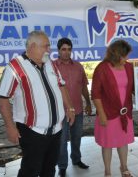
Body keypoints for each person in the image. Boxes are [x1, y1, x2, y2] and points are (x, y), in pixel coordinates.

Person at [0, 30, 75, 177]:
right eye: (45, 46)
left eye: (49, 46)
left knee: (49, 169)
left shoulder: (50, 64)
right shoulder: (15, 67)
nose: (49, 49)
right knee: (30, 170)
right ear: (32, 47)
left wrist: (69, 107)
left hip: (56, 130)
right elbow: (2, 97)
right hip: (32, 131)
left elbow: (61, 85)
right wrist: (10, 127)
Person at [91, 40, 134, 177]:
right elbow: (96, 94)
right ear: (117, 55)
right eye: (125, 55)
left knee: (123, 142)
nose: (127, 58)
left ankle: (124, 167)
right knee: (107, 144)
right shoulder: (102, 68)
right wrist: (102, 114)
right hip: (108, 113)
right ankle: (108, 172)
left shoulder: (128, 67)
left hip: (125, 113)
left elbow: (135, 87)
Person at [53, 38, 92, 177]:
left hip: (78, 110)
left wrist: (88, 102)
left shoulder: (78, 66)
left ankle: (76, 159)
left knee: (77, 138)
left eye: (69, 49)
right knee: (62, 141)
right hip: (60, 112)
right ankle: (62, 166)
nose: (66, 52)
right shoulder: (51, 67)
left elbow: (83, 87)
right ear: (58, 50)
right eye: (63, 49)